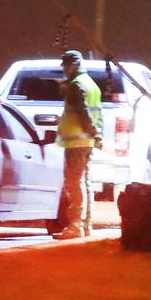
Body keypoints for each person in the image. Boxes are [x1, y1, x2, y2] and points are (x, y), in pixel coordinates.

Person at [53, 49, 102, 239]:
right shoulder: (92, 85)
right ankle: (86, 224)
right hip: (87, 142)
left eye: (65, 65)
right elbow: (99, 113)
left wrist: (90, 129)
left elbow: (83, 113)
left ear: (73, 65)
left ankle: (75, 225)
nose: (64, 69)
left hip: (76, 142)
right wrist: (98, 135)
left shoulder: (76, 85)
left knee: (74, 183)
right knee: (86, 182)